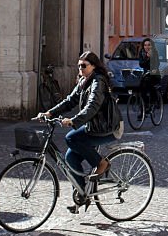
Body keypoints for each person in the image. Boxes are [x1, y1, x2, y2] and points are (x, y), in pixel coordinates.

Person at [38, 50, 116, 212]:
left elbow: (93, 106)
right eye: (78, 66)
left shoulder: (98, 82)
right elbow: (70, 101)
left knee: (71, 138)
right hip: (93, 126)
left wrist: (74, 121)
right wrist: (50, 113)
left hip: (106, 127)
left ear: (93, 66)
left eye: (83, 66)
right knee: (70, 158)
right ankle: (83, 195)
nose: (80, 69)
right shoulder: (84, 81)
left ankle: (101, 163)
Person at [138, 36, 161, 107]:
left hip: (155, 74)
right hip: (146, 74)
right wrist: (147, 58)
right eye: (145, 45)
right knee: (141, 87)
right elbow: (141, 64)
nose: (147, 47)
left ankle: (154, 101)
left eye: (149, 45)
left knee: (149, 84)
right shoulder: (141, 53)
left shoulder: (155, 52)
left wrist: (154, 69)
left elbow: (157, 63)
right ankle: (143, 107)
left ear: (151, 46)